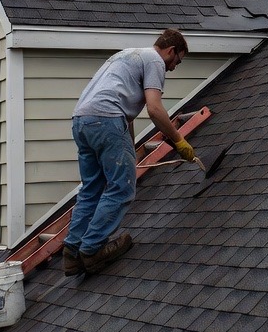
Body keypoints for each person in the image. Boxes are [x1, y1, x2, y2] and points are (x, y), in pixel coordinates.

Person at [62, 29, 198, 276]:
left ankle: (71, 254)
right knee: (122, 188)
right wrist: (180, 141)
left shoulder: (128, 55)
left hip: (82, 121)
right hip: (106, 120)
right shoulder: (156, 61)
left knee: (92, 189)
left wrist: (130, 148)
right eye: (177, 61)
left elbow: (126, 110)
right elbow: (154, 109)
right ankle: (91, 250)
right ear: (171, 51)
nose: (174, 68)